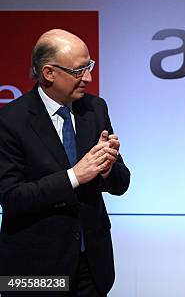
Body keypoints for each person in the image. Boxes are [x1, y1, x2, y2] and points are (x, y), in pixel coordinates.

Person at [0, 29, 130, 296]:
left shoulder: (95, 109)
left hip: (91, 268)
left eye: (89, 67)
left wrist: (107, 168)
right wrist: (74, 176)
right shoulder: (10, 121)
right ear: (49, 73)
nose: (89, 78)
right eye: (79, 70)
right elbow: (12, 197)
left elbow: (121, 183)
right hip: (35, 271)